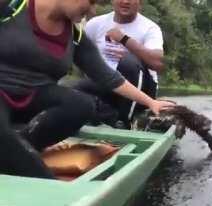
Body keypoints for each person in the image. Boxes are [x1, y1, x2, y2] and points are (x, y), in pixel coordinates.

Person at [0, 0, 174, 179]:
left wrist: (151, 102)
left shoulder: (75, 36)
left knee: (82, 104)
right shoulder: (11, 7)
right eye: (91, 2)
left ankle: (19, 148)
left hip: (35, 97)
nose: (92, 11)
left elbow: (108, 76)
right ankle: (34, 171)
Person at [73, 0, 164, 129]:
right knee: (74, 89)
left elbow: (158, 63)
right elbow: (83, 58)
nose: (125, 1)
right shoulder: (95, 24)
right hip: (108, 83)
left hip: (141, 91)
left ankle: (125, 121)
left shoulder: (150, 28)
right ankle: (109, 118)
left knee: (127, 62)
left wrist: (124, 39)